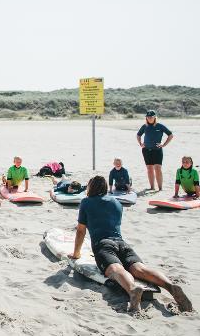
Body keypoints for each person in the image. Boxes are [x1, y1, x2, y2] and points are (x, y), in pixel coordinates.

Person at [69, 176, 193, 313]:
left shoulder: (86, 202)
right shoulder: (117, 203)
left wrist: (76, 254)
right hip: (122, 244)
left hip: (104, 245)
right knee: (139, 268)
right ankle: (170, 286)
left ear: (90, 188)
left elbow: (81, 231)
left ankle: (132, 289)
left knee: (116, 270)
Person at [136, 110, 173, 190]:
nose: (149, 118)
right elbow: (138, 135)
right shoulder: (144, 126)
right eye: (148, 117)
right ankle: (152, 187)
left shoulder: (160, 126)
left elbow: (170, 135)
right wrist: (140, 143)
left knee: (157, 168)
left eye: (151, 117)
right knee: (149, 169)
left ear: (155, 117)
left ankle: (160, 188)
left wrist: (164, 144)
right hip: (146, 150)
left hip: (157, 150)